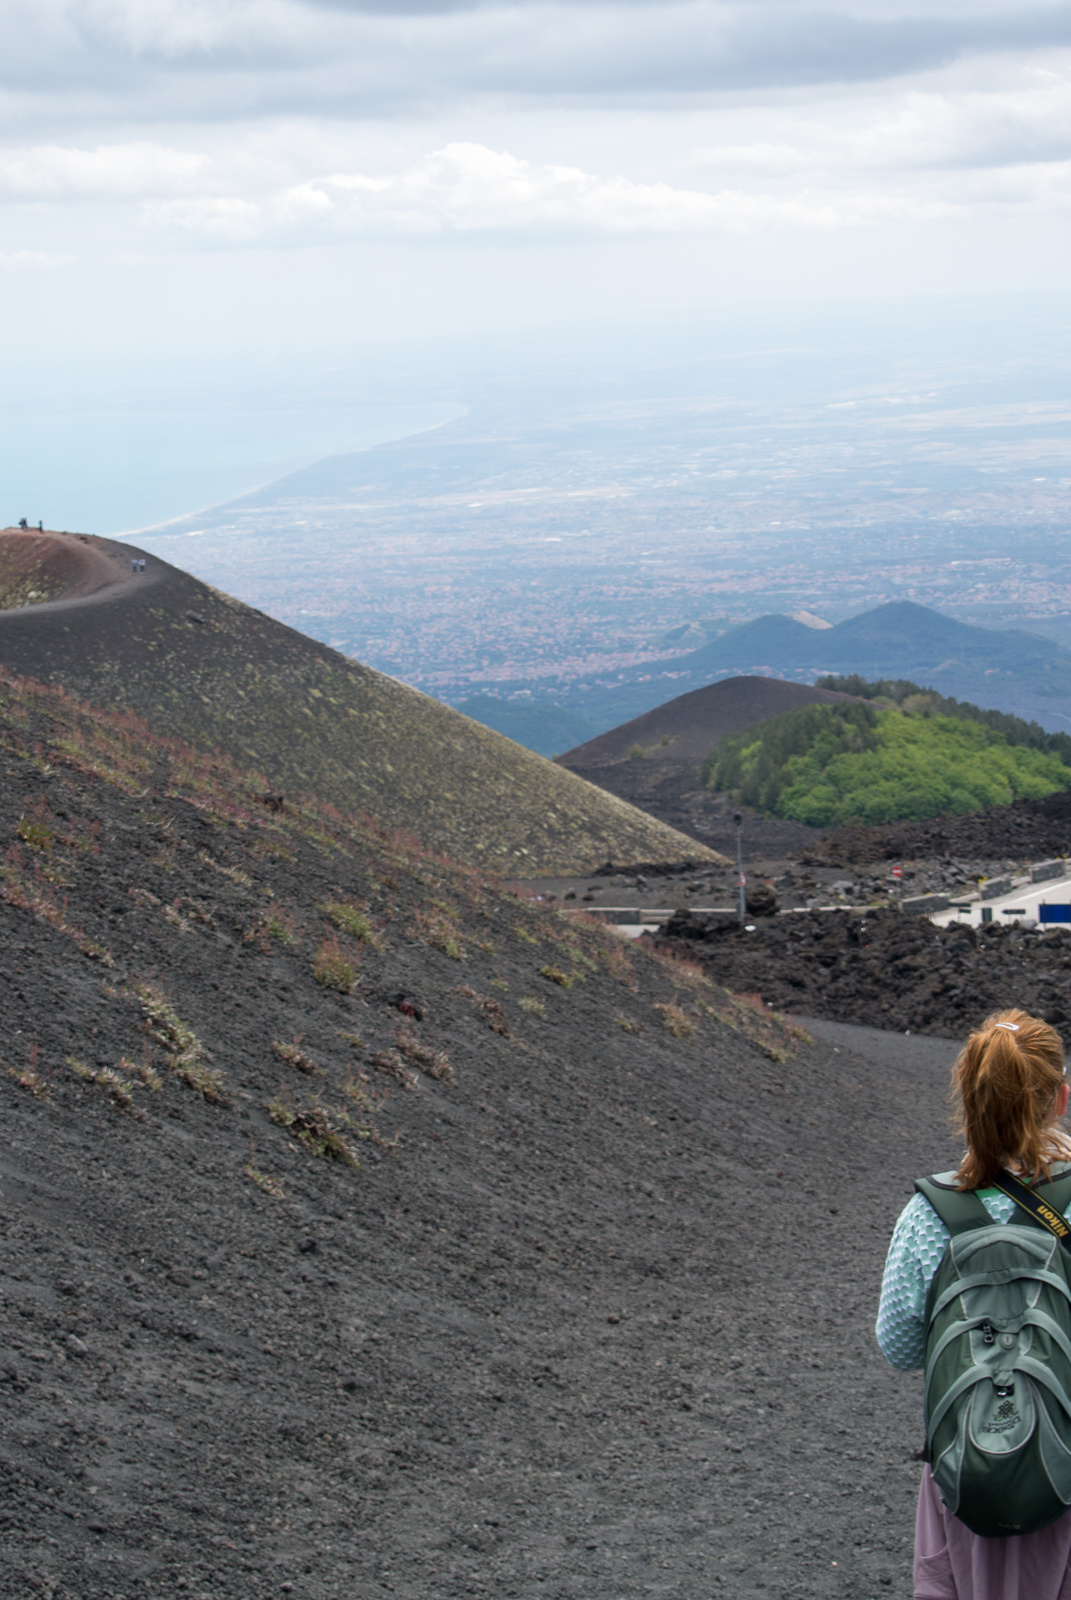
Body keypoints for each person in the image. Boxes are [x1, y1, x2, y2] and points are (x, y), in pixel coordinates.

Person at [877, 1009, 1071, 1599]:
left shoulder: (928, 1214)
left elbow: (901, 1348)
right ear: (1061, 1099)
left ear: (967, 1100)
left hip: (968, 1466)